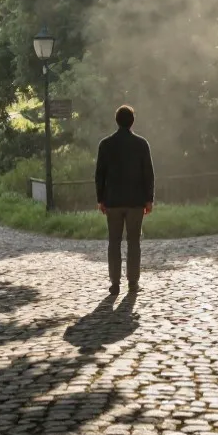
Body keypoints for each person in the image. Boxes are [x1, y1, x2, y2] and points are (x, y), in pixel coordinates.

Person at [94, 104, 154, 294]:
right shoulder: (141, 144)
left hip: (112, 201)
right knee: (134, 242)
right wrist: (149, 199)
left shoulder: (105, 144)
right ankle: (133, 282)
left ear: (116, 121)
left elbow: (99, 174)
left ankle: (115, 283)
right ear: (132, 121)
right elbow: (148, 174)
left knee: (114, 241)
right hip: (136, 201)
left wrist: (100, 198)